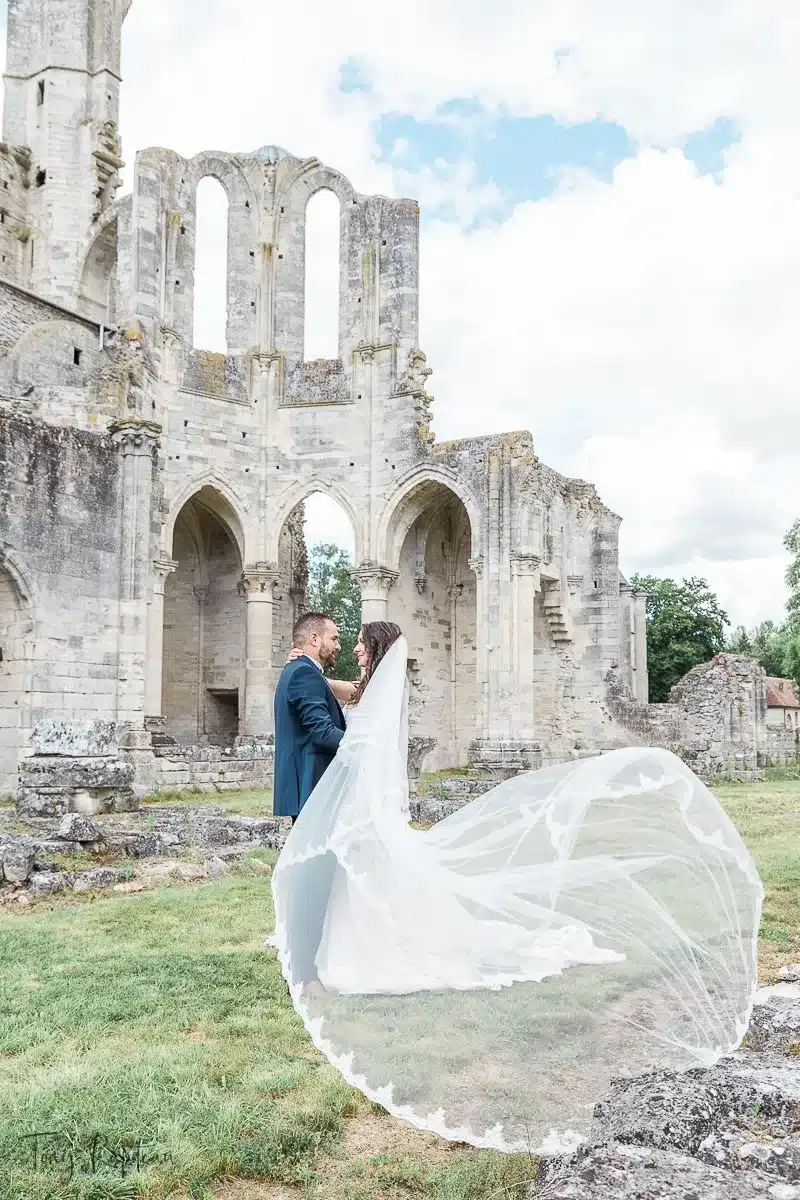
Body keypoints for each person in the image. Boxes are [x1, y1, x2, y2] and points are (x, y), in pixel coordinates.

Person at [270, 626, 763, 1156]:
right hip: (332, 794)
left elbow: (335, 720)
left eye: (361, 644)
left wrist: (357, 720)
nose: (350, 647)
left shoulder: (318, 676)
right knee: (340, 880)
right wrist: (356, 692)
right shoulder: (312, 676)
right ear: (315, 639)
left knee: (341, 879)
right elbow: (329, 712)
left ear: (376, 654)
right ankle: (315, 948)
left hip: (343, 797)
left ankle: (319, 952)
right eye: (340, 639)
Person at [272, 611, 345, 825]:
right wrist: (364, 747)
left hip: (311, 788)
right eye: (334, 638)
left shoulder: (300, 670)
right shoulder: (304, 673)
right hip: (312, 784)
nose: (338, 646)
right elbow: (323, 732)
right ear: (314, 639)